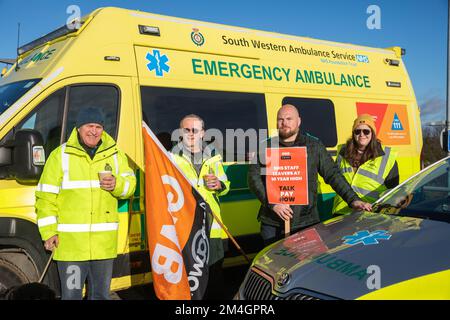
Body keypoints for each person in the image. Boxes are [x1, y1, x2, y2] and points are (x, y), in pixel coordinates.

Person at [35, 107, 136, 300]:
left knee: (101, 296)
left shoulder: (115, 154)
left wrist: (117, 184)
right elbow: (45, 197)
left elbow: (130, 186)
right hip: (71, 246)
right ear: (79, 128)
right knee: (71, 296)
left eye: (99, 126)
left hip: (103, 246)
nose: (94, 131)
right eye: (90, 126)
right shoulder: (60, 155)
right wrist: (49, 232)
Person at [248, 104, 372, 246]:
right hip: (272, 222)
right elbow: (253, 178)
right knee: (274, 266)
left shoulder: (313, 146)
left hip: (305, 222)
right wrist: (273, 204)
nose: (284, 123)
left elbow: (333, 174)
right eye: (280, 119)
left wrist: (353, 200)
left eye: (289, 119)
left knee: (304, 266)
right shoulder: (266, 147)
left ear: (299, 121)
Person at [170, 114, 230, 300]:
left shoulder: (213, 156)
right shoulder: (171, 158)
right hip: (187, 229)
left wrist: (219, 185)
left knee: (214, 279)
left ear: (203, 133)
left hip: (213, 228)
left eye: (194, 130)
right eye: (186, 130)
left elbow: (225, 185)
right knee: (191, 280)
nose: (190, 134)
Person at [332, 114, 399, 215]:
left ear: (372, 133)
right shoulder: (342, 153)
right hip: (341, 213)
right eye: (357, 131)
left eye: (366, 131)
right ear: (353, 134)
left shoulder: (387, 157)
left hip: (370, 215)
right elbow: (335, 180)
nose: (362, 134)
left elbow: (393, 192)